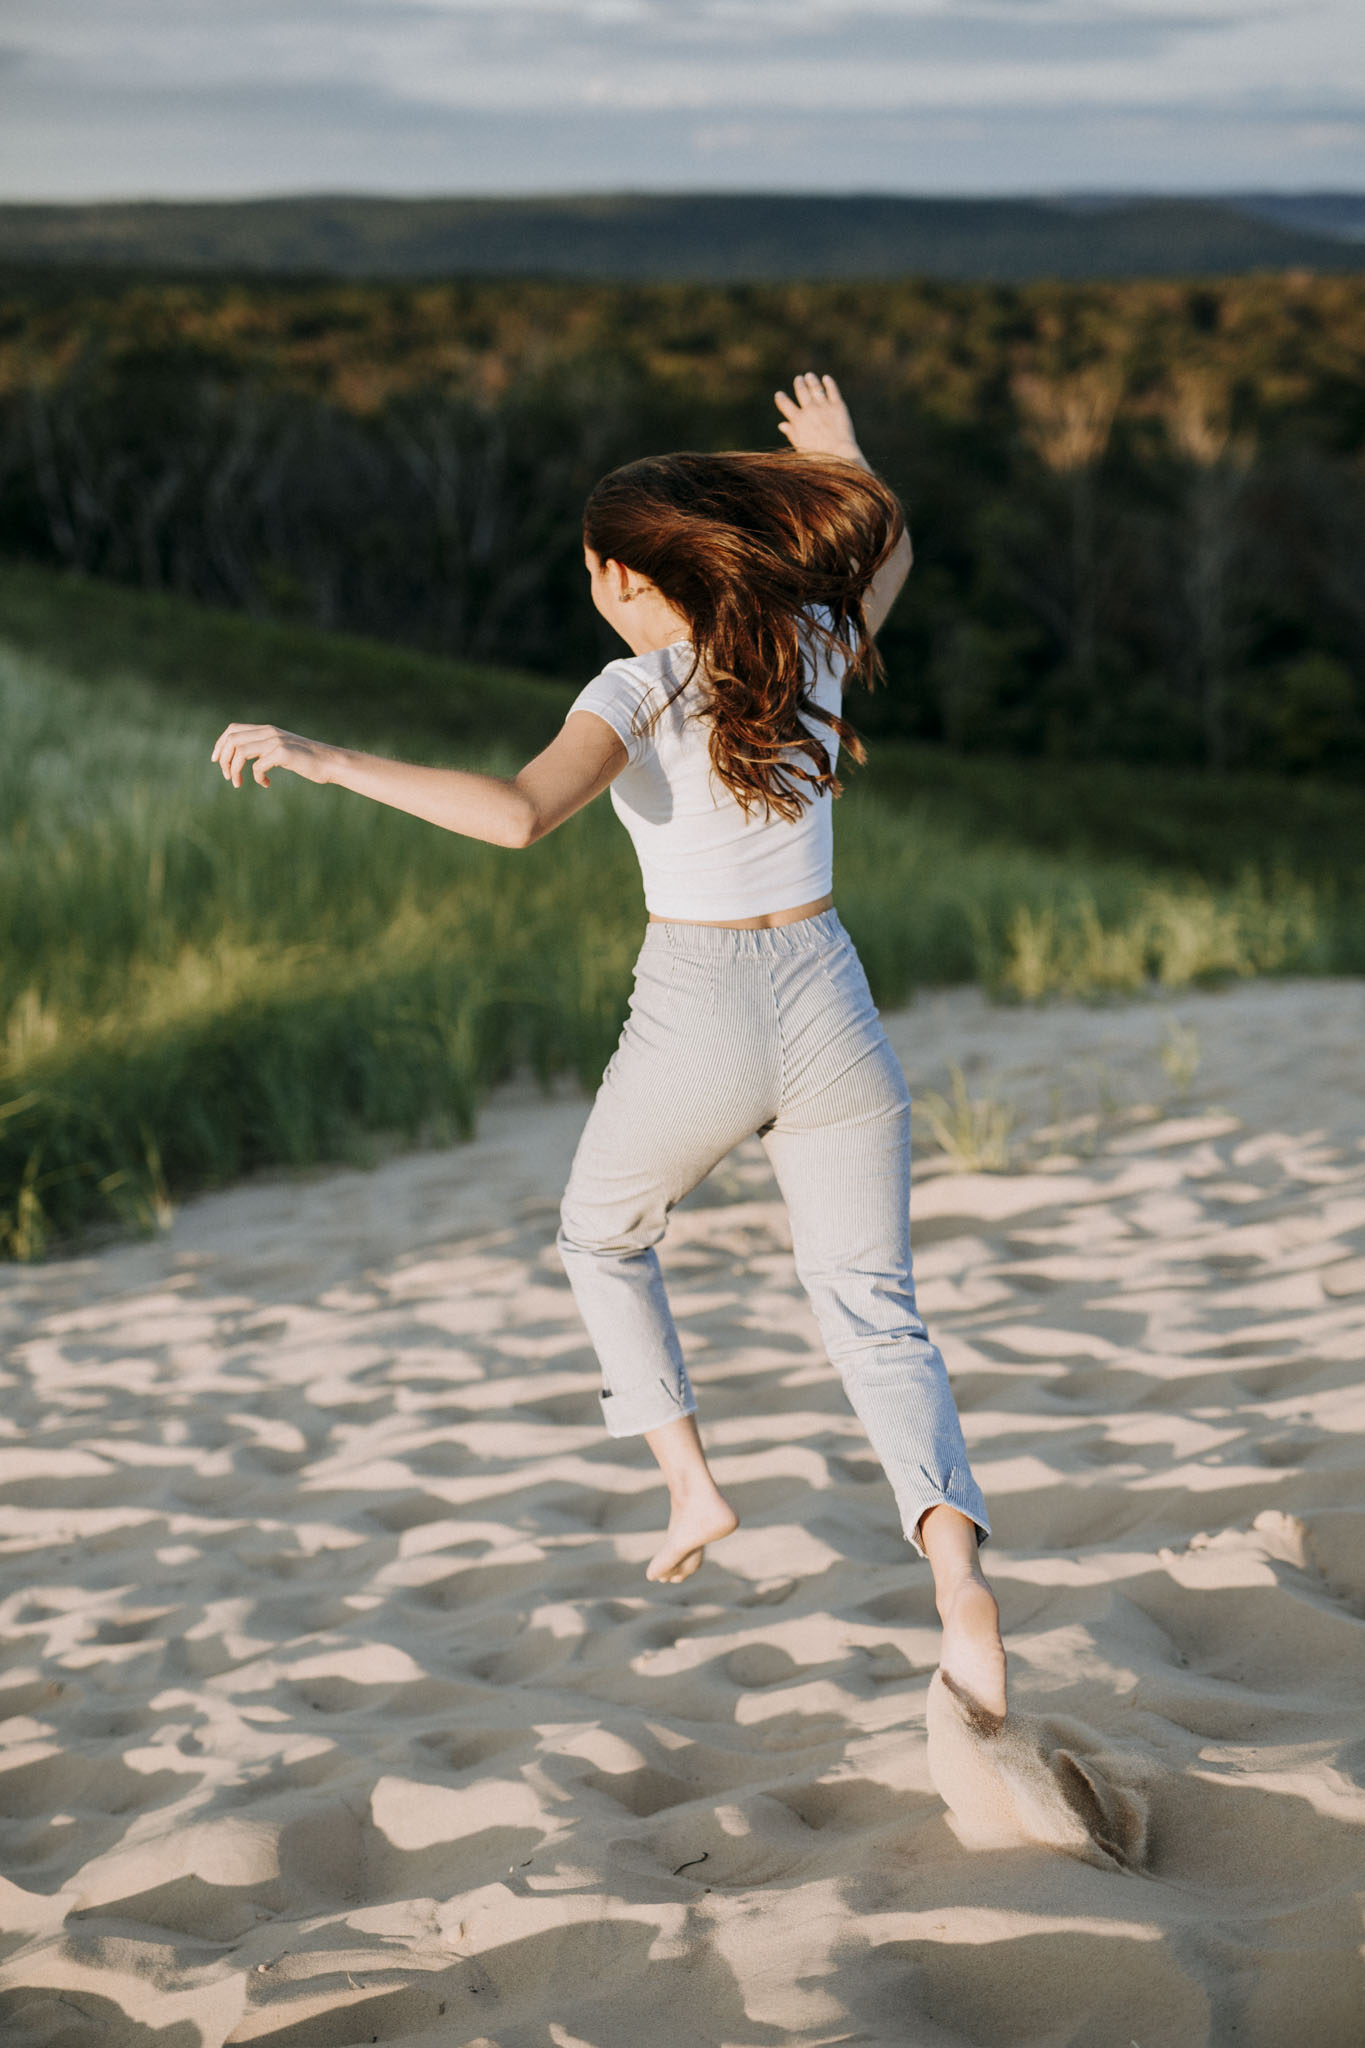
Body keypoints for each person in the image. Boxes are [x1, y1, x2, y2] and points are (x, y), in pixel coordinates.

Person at [211, 373, 1007, 1719]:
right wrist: (844, 459)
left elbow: (521, 814)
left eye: (596, 567)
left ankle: (691, 1479)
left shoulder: (635, 685)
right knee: (871, 1308)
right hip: (829, 991)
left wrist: (329, 758)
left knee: (600, 1235)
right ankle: (959, 1584)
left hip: (701, 999)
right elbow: (892, 545)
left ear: (629, 576)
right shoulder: (812, 637)